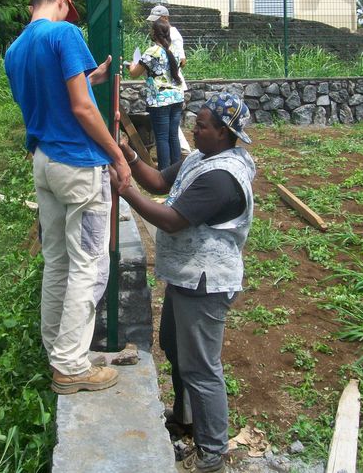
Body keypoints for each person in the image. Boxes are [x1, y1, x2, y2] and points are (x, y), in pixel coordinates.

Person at [113, 92, 255, 473]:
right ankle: (185, 418)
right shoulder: (200, 158)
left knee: (202, 368)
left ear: (224, 133)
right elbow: (160, 182)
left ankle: (212, 453)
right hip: (187, 276)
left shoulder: (223, 177)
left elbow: (173, 219)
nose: (195, 127)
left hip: (206, 283)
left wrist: (126, 190)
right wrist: (130, 156)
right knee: (174, 346)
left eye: (203, 125)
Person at [4, 0, 131, 395]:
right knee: (89, 264)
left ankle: (58, 349)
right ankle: (72, 365)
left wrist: (90, 78)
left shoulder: (15, 49)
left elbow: (51, 97)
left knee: (57, 261)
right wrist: (116, 155)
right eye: (67, 7)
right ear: (60, 1)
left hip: (44, 161)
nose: (67, 14)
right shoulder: (65, 33)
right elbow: (79, 108)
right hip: (78, 164)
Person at [128, 20, 185, 169]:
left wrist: (131, 65)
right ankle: (176, 170)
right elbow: (181, 63)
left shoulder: (152, 51)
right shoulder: (175, 50)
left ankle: (164, 172)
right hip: (177, 97)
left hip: (160, 100)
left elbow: (134, 73)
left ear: (154, 33)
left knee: (161, 137)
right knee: (173, 135)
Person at [146, 4, 186, 71]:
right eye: (152, 21)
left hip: (172, 79)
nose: (154, 23)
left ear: (166, 18)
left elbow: (182, 61)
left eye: (156, 20)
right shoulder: (157, 34)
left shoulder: (174, 34)